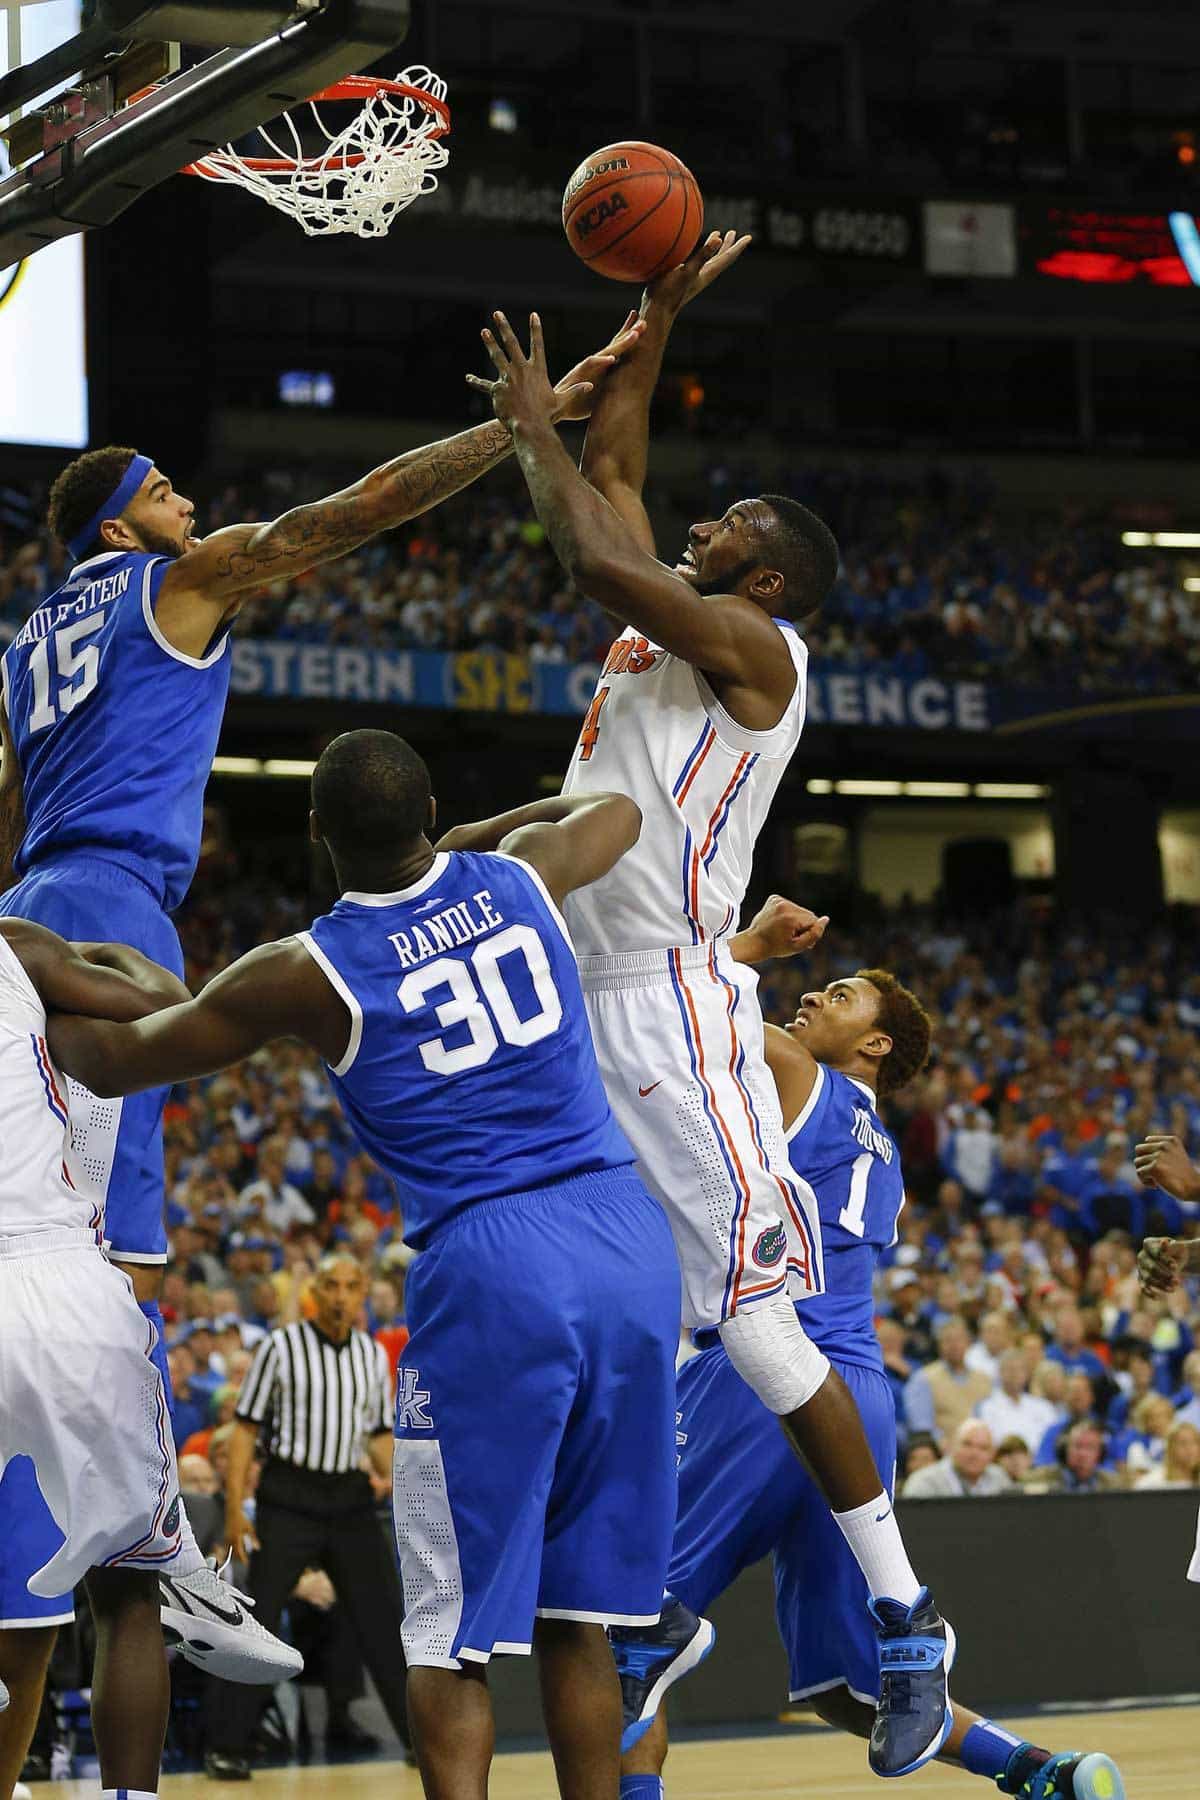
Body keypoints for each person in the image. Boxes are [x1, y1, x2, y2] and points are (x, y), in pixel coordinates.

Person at [0, 314, 640, 1769]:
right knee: (115, 1242)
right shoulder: (175, 578)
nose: (185, 501)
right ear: (121, 523)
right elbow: (348, 515)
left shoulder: (26, 641)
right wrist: (513, 429)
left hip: (30, 906)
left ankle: (103, 1489)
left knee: (43, 1219)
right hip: (111, 908)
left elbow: (6, 809)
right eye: (161, 488)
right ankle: (150, 1513)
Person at [469, 242, 952, 1779]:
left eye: (729, 524)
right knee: (634, 1321)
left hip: (676, 1009)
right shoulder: (688, 606)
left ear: (765, 583)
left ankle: (905, 1616)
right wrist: (658, 322)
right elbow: (620, 506)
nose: (699, 516)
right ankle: (648, 1611)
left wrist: (533, 427)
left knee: (757, 1320)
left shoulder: (762, 655)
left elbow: (598, 548)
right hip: (583, 1000)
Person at [48, 730, 682, 1800]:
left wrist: (34, 979)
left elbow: (121, 1053)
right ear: (430, 809)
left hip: (494, 1259)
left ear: (314, 834)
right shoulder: (523, 878)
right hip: (626, 1235)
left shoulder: (305, 968)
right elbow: (612, 815)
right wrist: (466, 845)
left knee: (443, 1634)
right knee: (587, 1619)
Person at [610, 938, 1121, 1800]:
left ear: (876, 1045)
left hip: (762, 1379)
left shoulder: (797, 1077)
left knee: (625, 1625)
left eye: (839, 997)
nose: (812, 999)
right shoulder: (882, 1148)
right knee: (862, 1691)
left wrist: (745, 944)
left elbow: (681, 1006)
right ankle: (1043, 1772)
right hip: (860, 1398)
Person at [0, 915, 278, 1800]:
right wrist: (102, 961)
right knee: (138, 1562)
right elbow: (170, 1007)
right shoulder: (20, 949)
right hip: (51, 1272)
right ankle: (188, 1579)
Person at [201, 1252, 407, 1780]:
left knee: (383, 1618)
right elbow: (245, 1428)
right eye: (331, 1286)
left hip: (349, 1496)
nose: (341, 1296)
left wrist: (412, 1493)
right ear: (316, 1290)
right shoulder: (280, 1346)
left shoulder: (370, 1353)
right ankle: (226, 1743)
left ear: (364, 1293)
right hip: (289, 1494)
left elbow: (379, 1436)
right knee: (259, 1618)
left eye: (351, 1287)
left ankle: (419, 1737)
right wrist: (232, 1510)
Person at [903, 1317, 993, 1446]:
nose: (954, 1345)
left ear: (968, 1343)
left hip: (981, 1448)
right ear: (939, 1345)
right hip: (942, 1449)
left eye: (959, 1340)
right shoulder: (923, 1379)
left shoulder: (984, 1379)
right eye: (948, 1340)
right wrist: (941, 1443)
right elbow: (922, 1426)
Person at [901, 1422, 1012, 1499]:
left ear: (992, 1455)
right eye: (967, 1444)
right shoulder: (924, 1482)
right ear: (952, 1446)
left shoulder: (1000, 1479)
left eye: (983, 1448)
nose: (974, 1453)